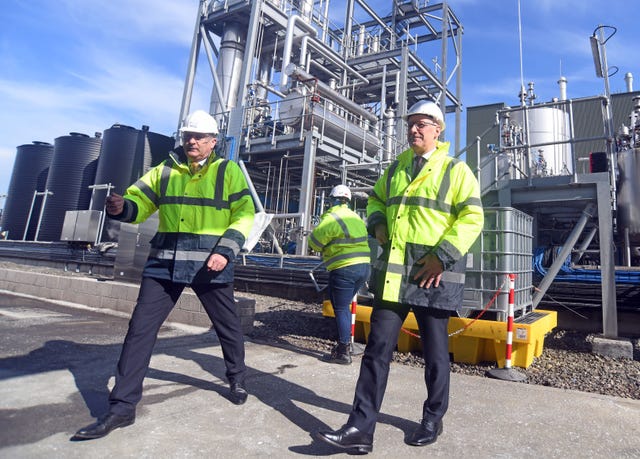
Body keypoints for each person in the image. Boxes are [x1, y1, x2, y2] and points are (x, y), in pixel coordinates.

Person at [72, 109, 255, 441]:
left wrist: (224, 250)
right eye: (187, 135)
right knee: (140, 331)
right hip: (164, 263)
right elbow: (139, 200)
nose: (191, 141)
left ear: (213, 141)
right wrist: (122, 207)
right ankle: (121, 408)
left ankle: (237, 376)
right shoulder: (165, 170)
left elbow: (245, 215)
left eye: (198, 136)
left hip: (209, 264)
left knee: (228, 327)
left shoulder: (229, 172)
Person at [315, 100, 483, 454]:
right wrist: (376, 223)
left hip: (432, 277)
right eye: (411, 124)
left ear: (438, 129)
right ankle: (360, 429)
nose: (414, 130)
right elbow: (375, 201)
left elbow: (472, 219)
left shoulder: (455, 171)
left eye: (422, 124)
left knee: (436, 354)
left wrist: (442, 257)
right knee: (376, 351)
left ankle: (433, 418)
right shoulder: (395, 169)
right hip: (393, 277)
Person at [308, 184, 371, 365]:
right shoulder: (356, 217)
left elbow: (314, 241)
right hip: (364, 269)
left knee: (341, 308)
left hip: (344, 268)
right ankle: (346, 343)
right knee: (345, 306)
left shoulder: (332, 217)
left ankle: (343, 350)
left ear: (332, 199)